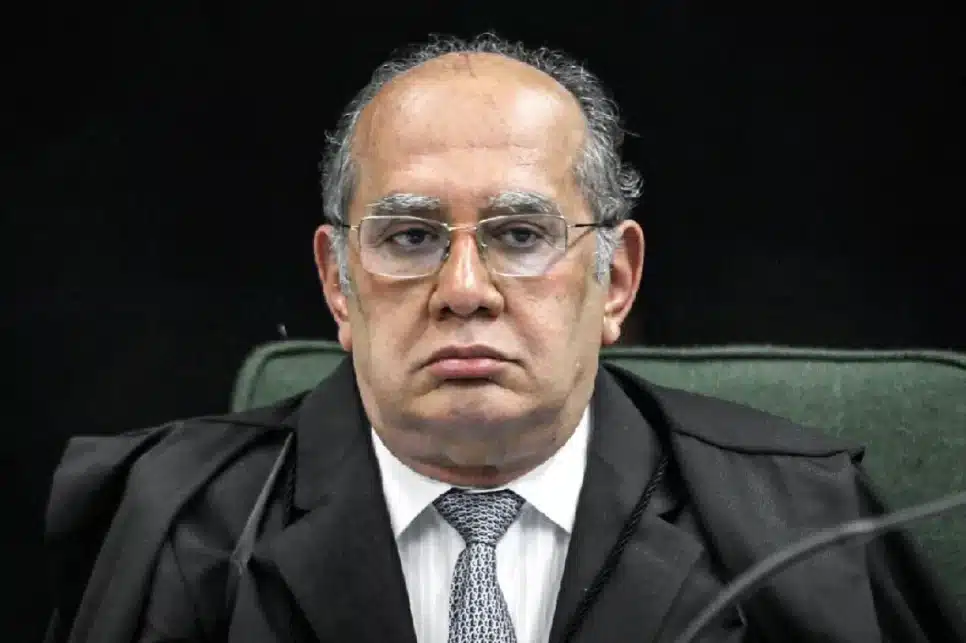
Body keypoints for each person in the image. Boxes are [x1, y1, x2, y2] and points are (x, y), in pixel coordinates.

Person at [44, 34, 964, 643]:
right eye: (410, 236)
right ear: (337, 283)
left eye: (520, 235)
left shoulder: (802, 526)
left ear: (615, 280)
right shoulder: (173, 524)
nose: (464, 290)